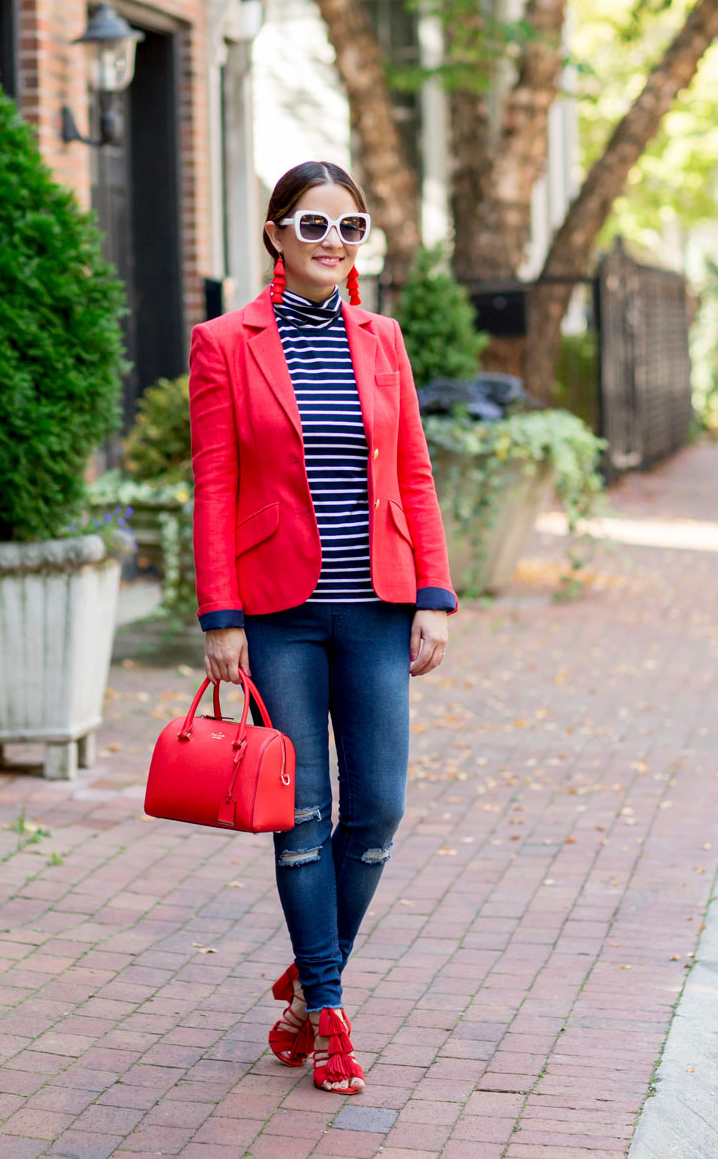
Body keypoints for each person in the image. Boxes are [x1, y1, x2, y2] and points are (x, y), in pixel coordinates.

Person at [189, 161, 457, 1094]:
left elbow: (414, 474)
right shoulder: (225, 343)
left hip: (379, 609)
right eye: (313, 226)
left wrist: (435, 593)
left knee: (377, 807)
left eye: (352, 228)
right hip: (277, 617)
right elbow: (214, 487)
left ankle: (306, 983)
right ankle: (333, 1011)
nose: (333, 244)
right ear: (275, 234)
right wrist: (220, 616)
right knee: (299, 813)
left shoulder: (383, 341)